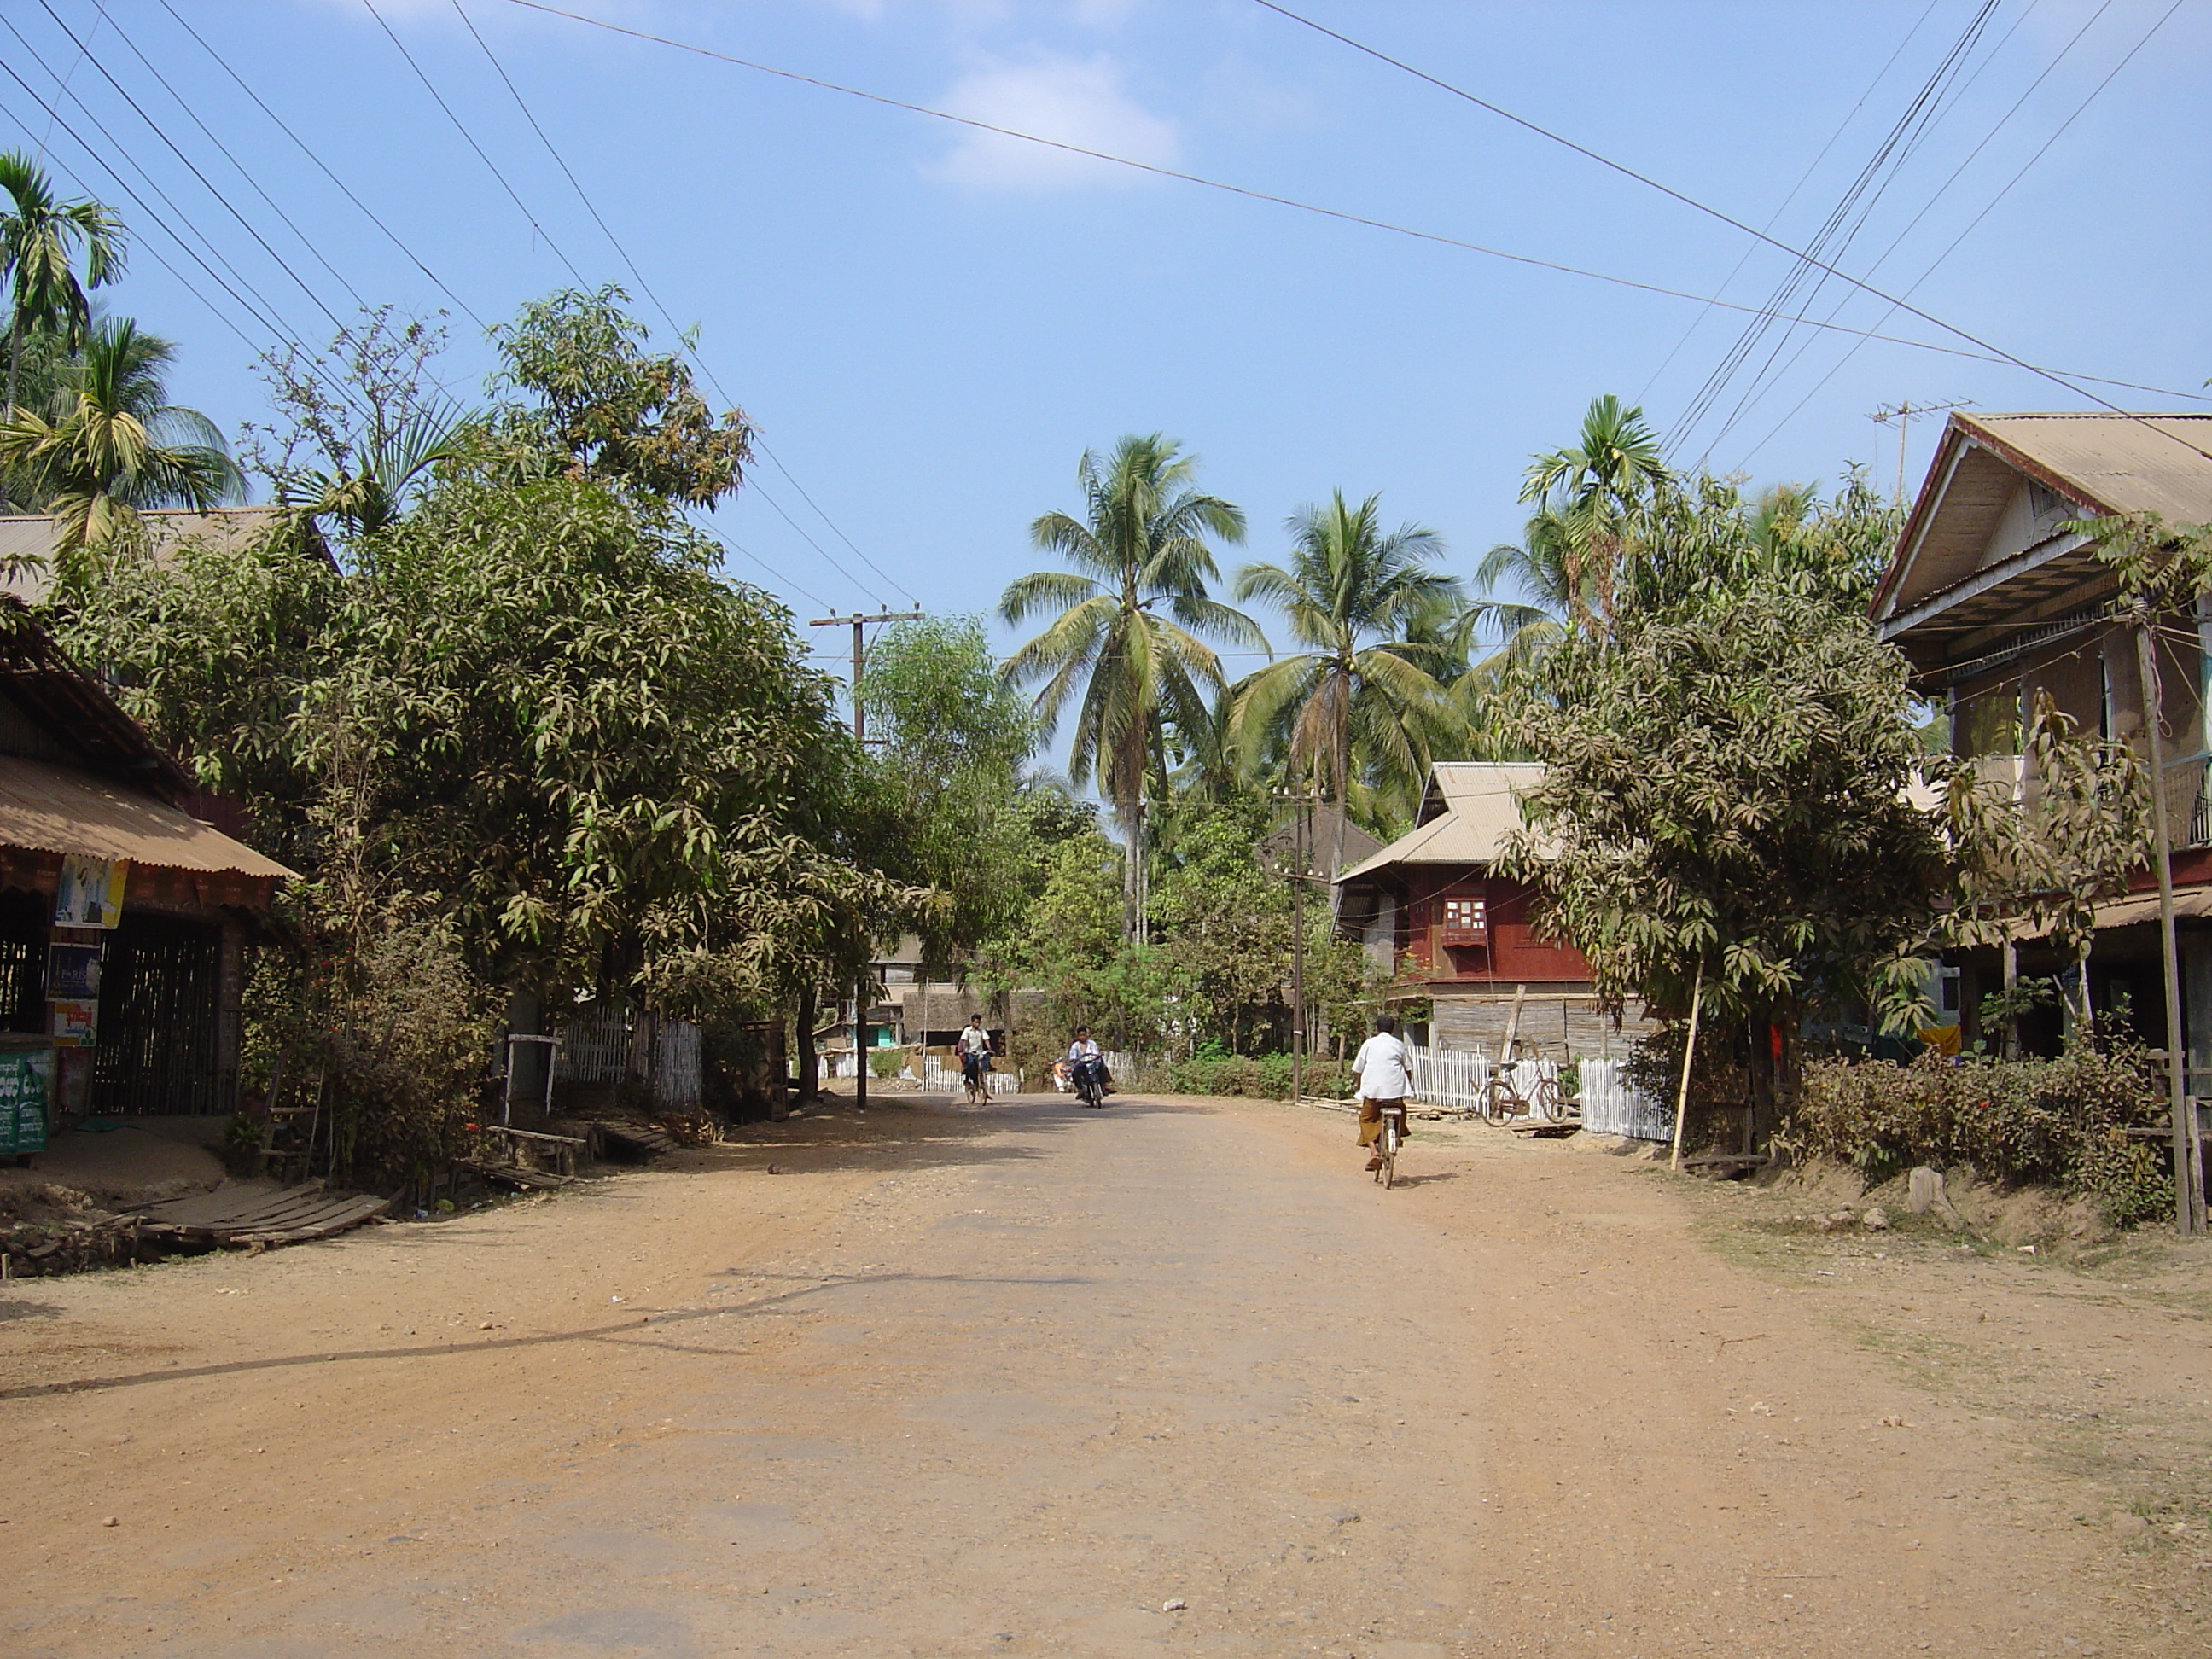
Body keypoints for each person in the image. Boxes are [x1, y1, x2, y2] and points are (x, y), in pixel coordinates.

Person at [1351, 1014, 1411, 1173]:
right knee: (1401, 1111)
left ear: (1376, 1028)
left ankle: (1374, 1151)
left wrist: (1358, 1082)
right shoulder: (1399, 1044)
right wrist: (1406, 1086)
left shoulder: (1369, 1044)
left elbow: (1358, 1068)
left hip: (1373, 1092)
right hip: (1395, 1092)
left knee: (1366, 1119)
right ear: (1393, 1029)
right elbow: (1408, 1068)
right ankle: (1397, 1136)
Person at [1066, 1026, 1111, 1097]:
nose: (1083, 1037)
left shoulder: (1092, 1043)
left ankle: (1104, 1086)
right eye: (1080, 1035)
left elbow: (1096, 1052)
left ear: (1086, 1035)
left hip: (1092, 1063)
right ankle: (1081, 1090)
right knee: (1075, 1073)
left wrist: (1097, 1055)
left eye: (1084, 1035)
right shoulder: (1075, 1046)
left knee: (1102, 1067)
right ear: (1077, 1036)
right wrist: (1073, 1059)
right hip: (1081, 1064)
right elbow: (1073, 1056)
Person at [956, 1015, 993, 1091]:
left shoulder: (982, 1030)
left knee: (985, 1061)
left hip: (980, 1051)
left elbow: (986, 1040)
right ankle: (970, 1079)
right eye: (976, 1022)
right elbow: (965, 1040)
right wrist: (965, 1049)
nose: (977, 1024)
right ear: (972, 1022)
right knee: (971, 1064)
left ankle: (982, 1078)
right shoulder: (967, 1030)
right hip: (970, 1052)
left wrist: (990, 1049)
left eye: (979, 1022)